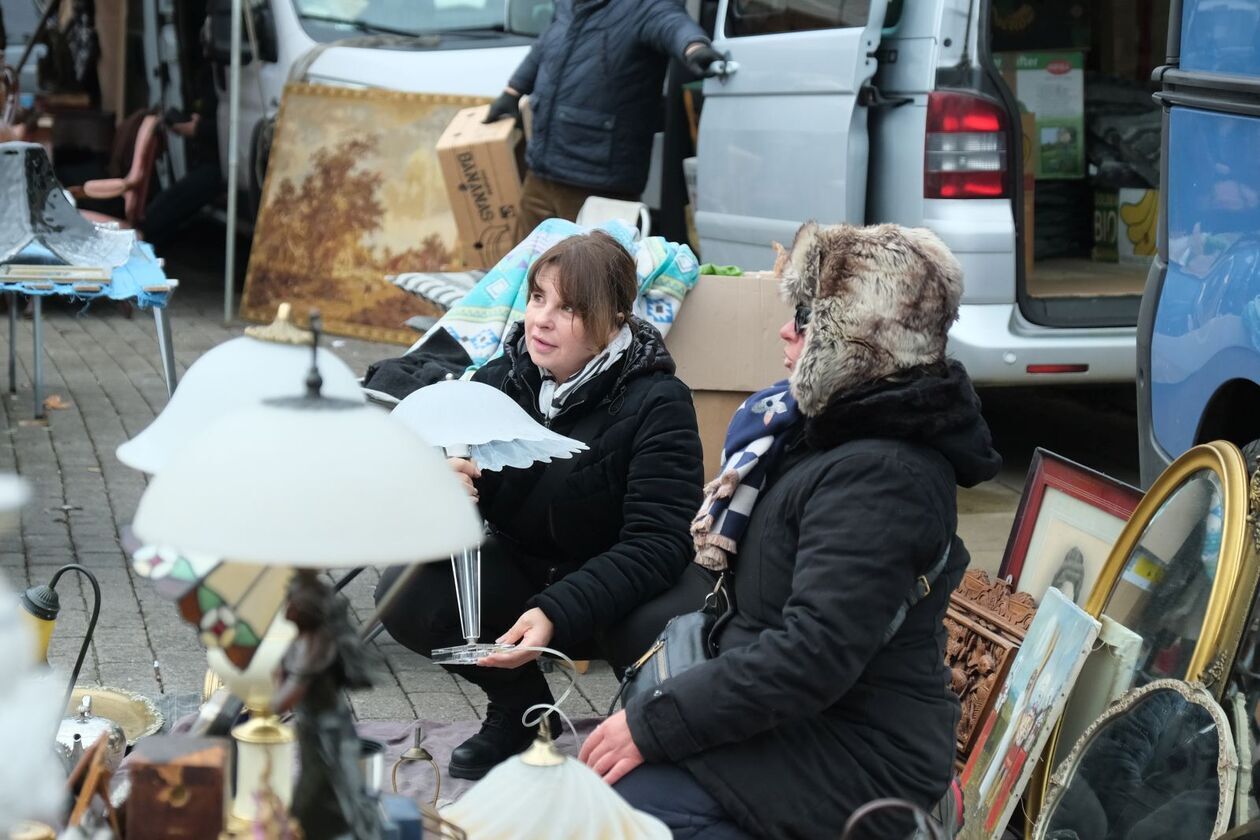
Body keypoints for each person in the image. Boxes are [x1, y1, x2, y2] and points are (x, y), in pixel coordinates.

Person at [579, 222, 1003, 838]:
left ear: (861, 340)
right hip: (808, 719)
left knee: (613, 814)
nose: (785, 329)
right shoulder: (821, 432)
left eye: (807, 318)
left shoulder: (883, 476)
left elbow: (814, 653)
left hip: (861, 761)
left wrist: (657, 724)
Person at [375, 230, 704, 781]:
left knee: (665, 622)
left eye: (570, 308)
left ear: (616, 318)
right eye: (537, 298)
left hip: (616, 588)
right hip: (525, 573)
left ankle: (647, 732)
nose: (542, 320)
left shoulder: (658, 401)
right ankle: (522, 713)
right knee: (407, 590)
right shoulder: (503, 380)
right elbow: (457, 514)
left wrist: (558, 610)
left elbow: (659, 542)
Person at [483, 0, 724, 232]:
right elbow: (545, 46)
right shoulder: (568, 4)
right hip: (542, 169)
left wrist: (695, 47)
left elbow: (673, 24)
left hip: (597, 180)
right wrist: (513, 92)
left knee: (588, 271)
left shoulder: (645, 6)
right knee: (523, 266)